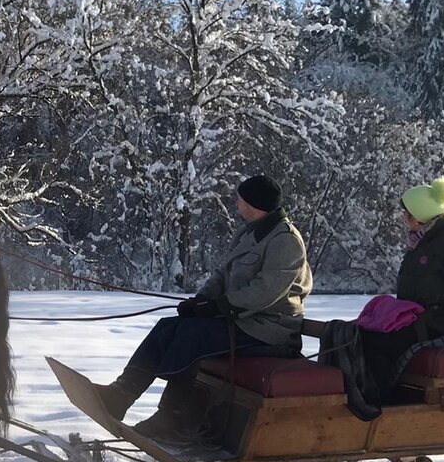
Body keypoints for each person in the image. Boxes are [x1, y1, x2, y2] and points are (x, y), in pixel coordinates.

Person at [94, 174, 312, 443]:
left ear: (254, 204)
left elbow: (266, 290)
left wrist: (219, 307)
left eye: (241, 199)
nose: (236, 203)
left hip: (269, 330)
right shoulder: (250, 232)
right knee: (169, 326)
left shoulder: (286, 240)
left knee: (193, 336)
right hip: (243, 322)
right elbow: (222, 275)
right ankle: (121, 394)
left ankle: (170, 417)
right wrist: (199, 301)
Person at [361, 176, 444, 402]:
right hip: (414, 319)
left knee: (379, 345)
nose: (402, 218)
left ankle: (379, 403)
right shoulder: (420, 241)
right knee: (361, 336)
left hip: (438, 324)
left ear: (419, 217)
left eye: (406, 213)